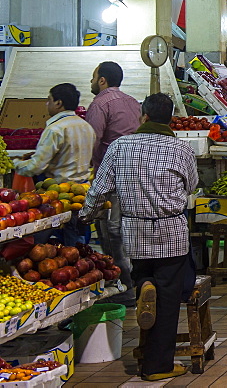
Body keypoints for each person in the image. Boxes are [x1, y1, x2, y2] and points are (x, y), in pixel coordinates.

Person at [79, 93, 197, 382]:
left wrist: (86, 215)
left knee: (145, 273)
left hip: (135, 233)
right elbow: (192, 186)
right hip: (171, 233)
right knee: (169, 298)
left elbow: (99, 189)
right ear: (169, 118)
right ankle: (157, 365)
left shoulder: (120, 146)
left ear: (143, 116)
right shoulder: (181, 149)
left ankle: (144, 284)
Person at [87, 61, 142, 306]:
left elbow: (93, 141)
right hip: (137, 178)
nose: (91, 82)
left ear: (102, 80)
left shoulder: (100, 103)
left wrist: (90, 171)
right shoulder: (133, 103)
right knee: (128, 233)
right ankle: (137, 287)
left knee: (112, 234)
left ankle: (124, 291)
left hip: (112, 179)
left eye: (93, 78)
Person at [16, 84, 96, 248]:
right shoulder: (87, 127)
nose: (47, 104)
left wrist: (16, 163)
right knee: (77, 245)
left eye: (49, 100)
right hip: (82, 195)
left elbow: (35, 167)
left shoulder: (55, 129)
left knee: (38, 244)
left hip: (58, 196)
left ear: (58, 103)